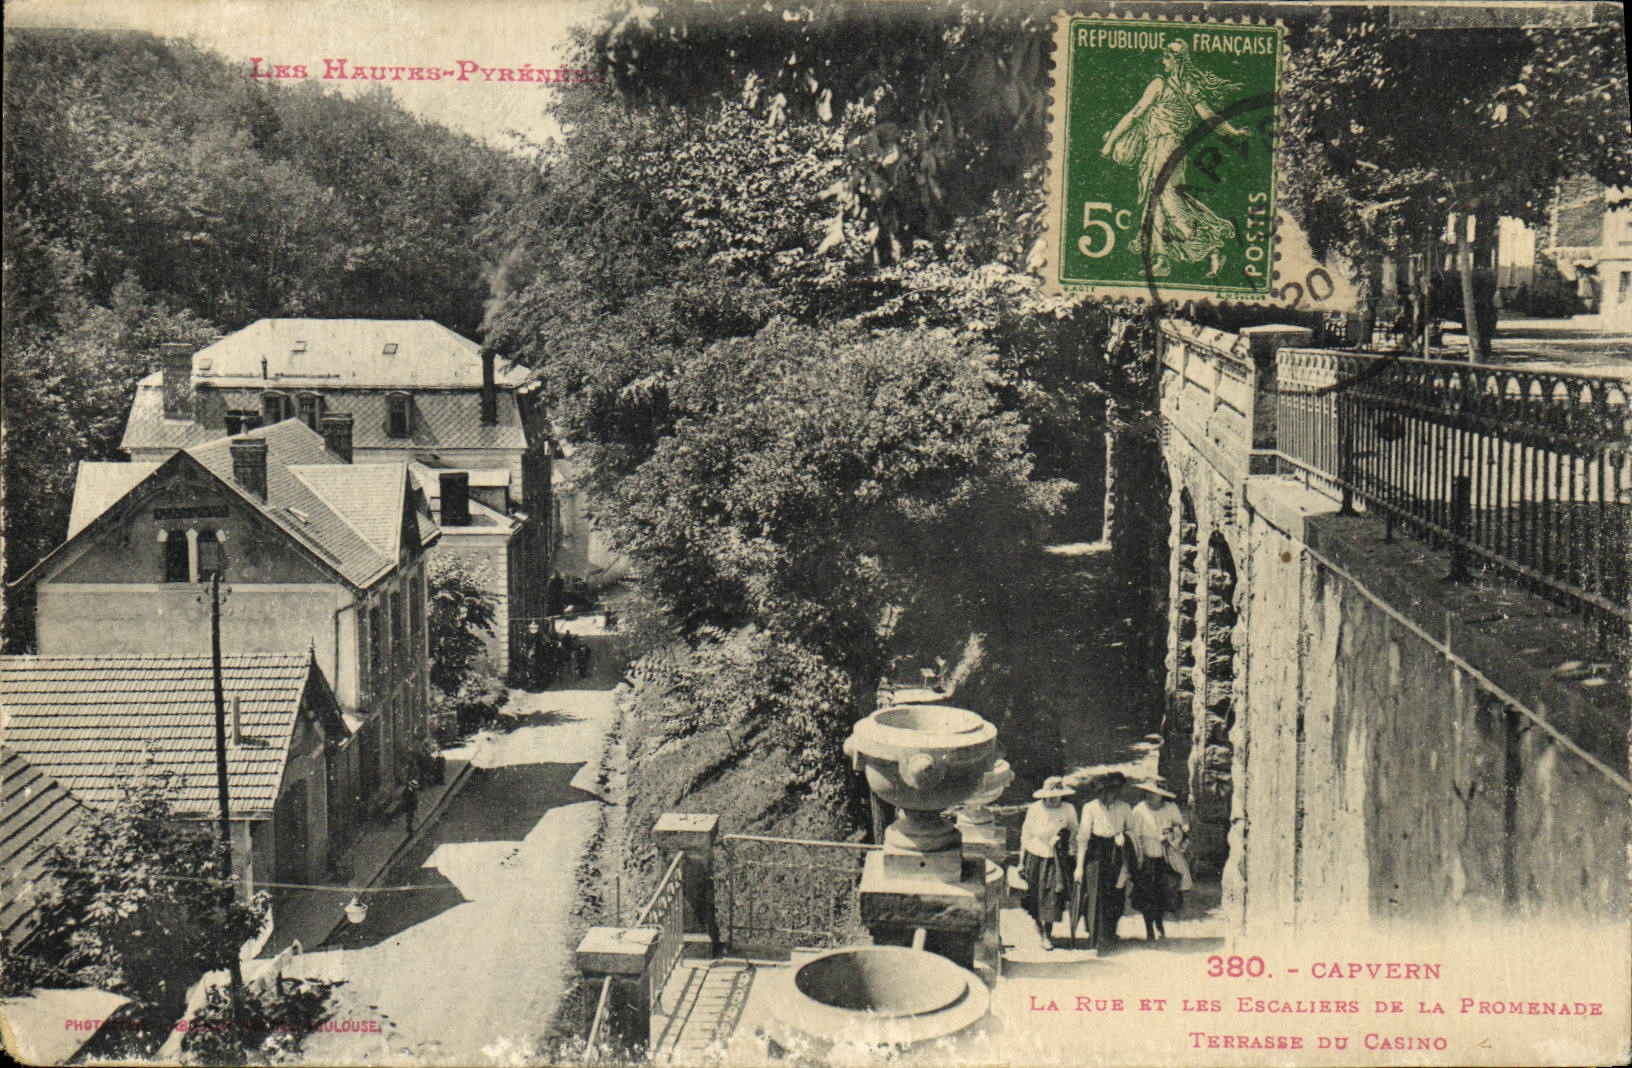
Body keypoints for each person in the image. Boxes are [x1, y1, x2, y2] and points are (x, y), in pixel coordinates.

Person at [1101, 40, 1250, 279]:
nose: (1163, 62)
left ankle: (1212, 244)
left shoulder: (1160, 84)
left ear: (1177, 60)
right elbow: (1210, 118)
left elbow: (1136, 113)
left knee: (1167, 198)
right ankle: (1163, 260)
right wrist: (1233, 133)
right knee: (1157, 201)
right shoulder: (1189, 87)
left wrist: (1110, 143)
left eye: (1167, 57)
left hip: (1165, 147)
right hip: (1168, 148)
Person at [1074, 773, 1133, 950]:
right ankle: (1096, 937)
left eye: (1111, 792)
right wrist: (1079, 866)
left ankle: (1110, 934)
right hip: (1095, 853)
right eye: (1102, 793)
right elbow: (1083, 838)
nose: (1106, 797)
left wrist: (1125, 838)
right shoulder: (1090, 808)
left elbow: (1132, 831)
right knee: (1095, 894)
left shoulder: (1124, 808)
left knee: (1115, 894)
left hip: (1116, 851)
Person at [1019, 776, 1078, 950]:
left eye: (1058, 795)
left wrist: (1064, 841)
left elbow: (1075, 831)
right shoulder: (1035, 809)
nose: (1054, 798)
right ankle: (1040, 928)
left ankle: (1047, 934)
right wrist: (1021, 862)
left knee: (1053, 895)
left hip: (1056, 859)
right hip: (1035, 855)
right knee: (1035, 894)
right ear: (1044, 795)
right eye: (1051, 795)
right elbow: (1026, 835)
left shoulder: (1068, 809)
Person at [1129, 780, 1190, 941]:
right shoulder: (1139, 810)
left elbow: (1179, 828)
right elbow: (1135, 836)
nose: (1150, 796)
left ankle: (1159, 923)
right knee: (1146, 894)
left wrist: (1170, 836)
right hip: (1146, 855)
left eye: (1154, 793)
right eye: (1148, 792)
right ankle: (1149, 927)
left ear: (1161, 796)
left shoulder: (1170, 809)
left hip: (1166, 856)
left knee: (1164, 892)